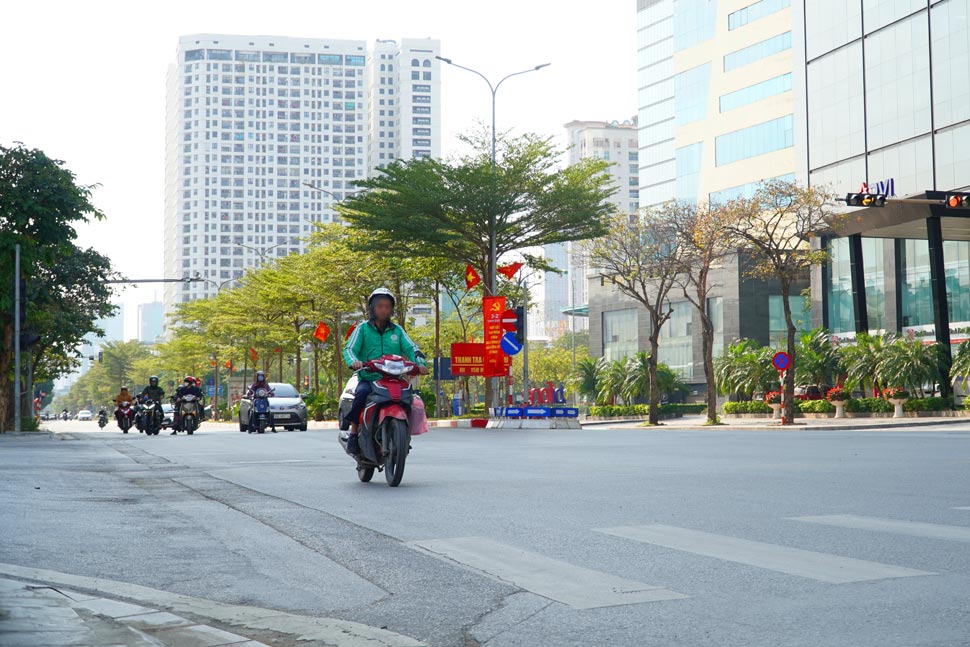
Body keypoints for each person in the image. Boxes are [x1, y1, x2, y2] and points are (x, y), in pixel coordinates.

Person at [342, 287, 428, 455]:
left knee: (410, 399)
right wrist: (354, 362)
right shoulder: (362, 329)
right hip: (370, 377)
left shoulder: (397, 330)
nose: (384, 309)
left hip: (395, 378)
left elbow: (412, 348)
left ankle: (403, 435)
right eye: (380, 306)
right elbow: (349, 349)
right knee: (361, 395)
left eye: (387, 306)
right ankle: (353, 432)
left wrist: (420, 363)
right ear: (372, 308)